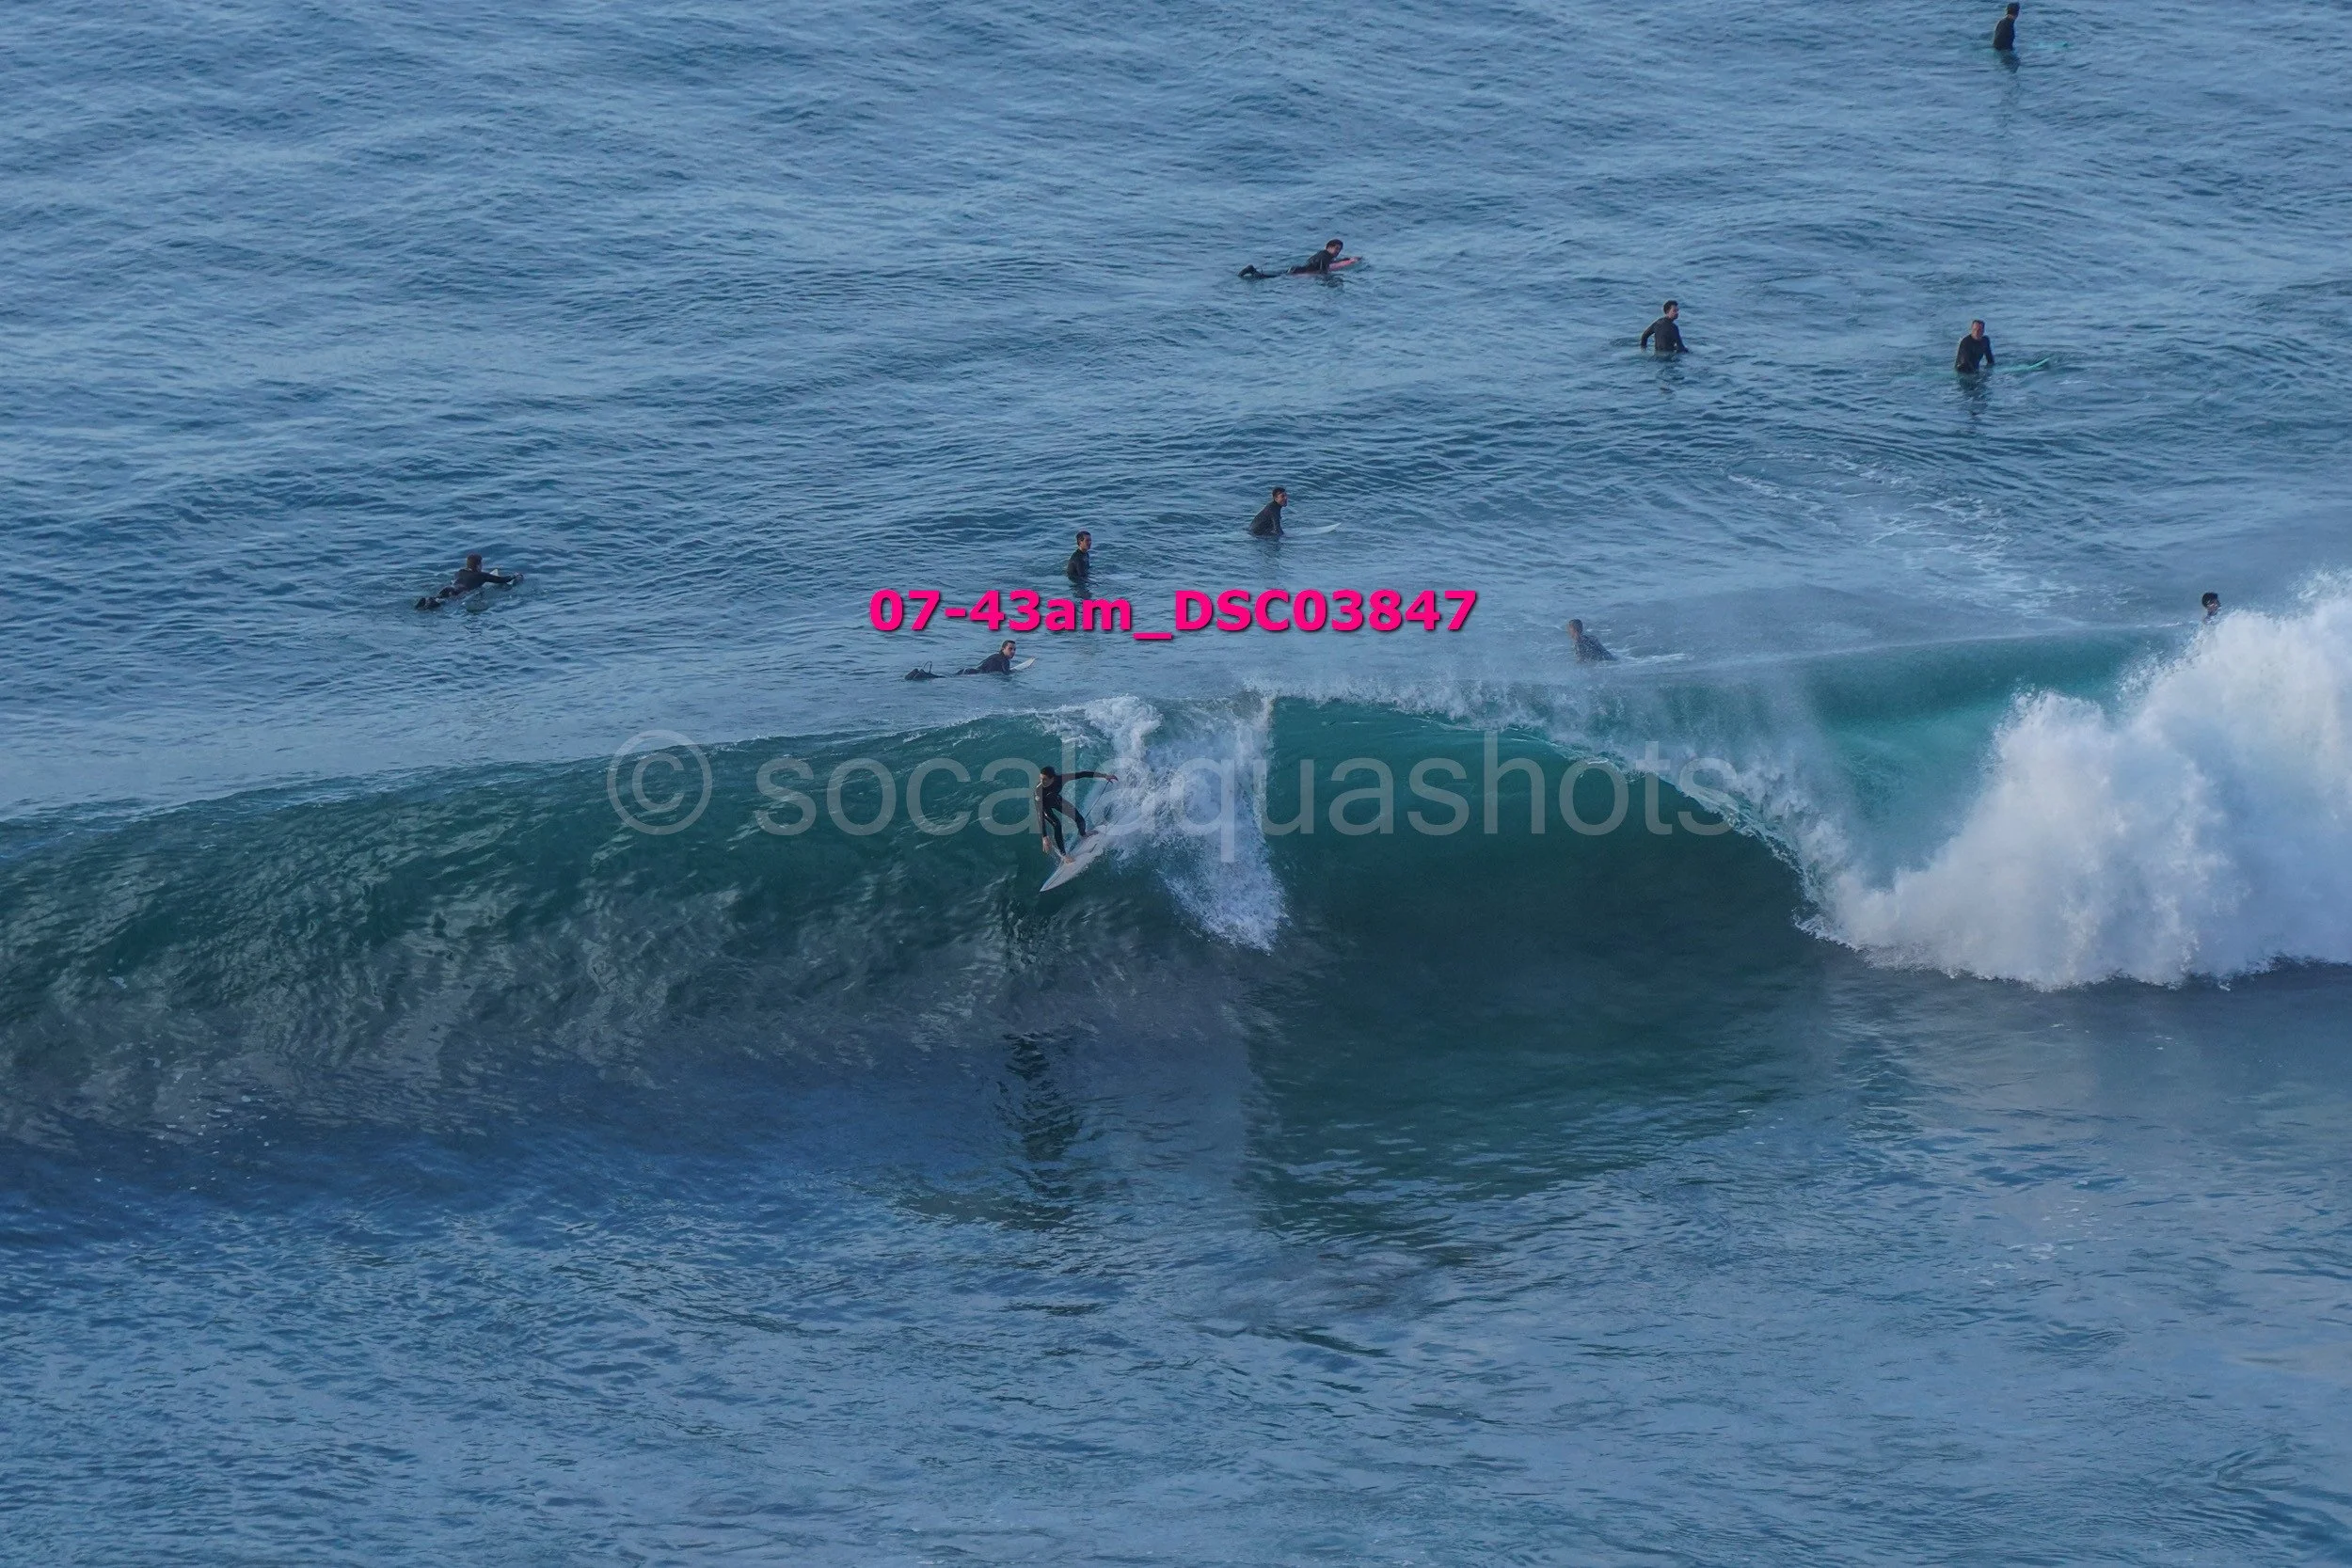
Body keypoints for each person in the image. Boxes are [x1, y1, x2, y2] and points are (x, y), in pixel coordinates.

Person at [1037, 764, 1118, 861]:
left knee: (1078, 817)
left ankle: (1083, 834)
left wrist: (1104, 776)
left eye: (1044, 779)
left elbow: (1082, 774)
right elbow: (1039, 812)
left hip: (1055, 800)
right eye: (1041, 779)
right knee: (1057, 824)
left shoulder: (1061, 778)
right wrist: (1044, 836)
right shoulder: (1038, 790)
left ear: (1052, 778)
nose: (1042, 782)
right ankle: (1064, 855)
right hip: (1044, 807)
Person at [415, 552, 518, 610]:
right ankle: (430, 604)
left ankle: (425, 602)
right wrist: (515, 575)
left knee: (438, 598)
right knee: (444, 603)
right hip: (460, 592)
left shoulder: (459, 572)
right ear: (478, 565)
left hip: (448, 588)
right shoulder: (481, 575)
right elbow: (503, 580)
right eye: (481, 564)